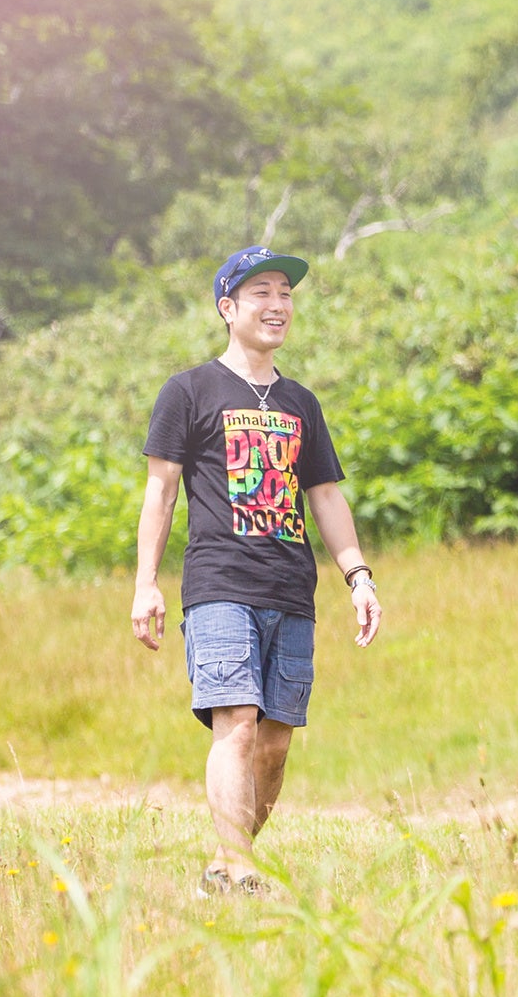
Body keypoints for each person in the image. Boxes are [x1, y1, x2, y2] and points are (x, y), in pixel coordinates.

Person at [132, 246, 384, 897]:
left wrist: (358, 575)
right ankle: (240, 865)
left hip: (291, 588)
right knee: (236, 723)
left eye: (286, 294)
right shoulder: (188, 391)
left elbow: (325, 494)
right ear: (228, 308)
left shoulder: (302, 402)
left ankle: (227, 860)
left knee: (274, 743)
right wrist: (145, 583)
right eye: (261, 293)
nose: (277, 305)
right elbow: (160, 492)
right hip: (219, 583)